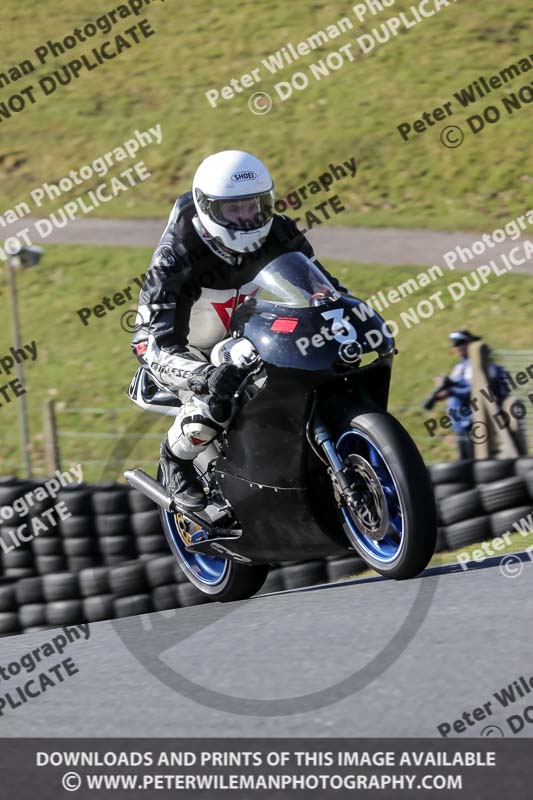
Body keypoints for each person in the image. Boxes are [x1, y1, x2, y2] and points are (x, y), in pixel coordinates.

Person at [129, 150, 347, 509]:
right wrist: (203, 375)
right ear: (208, 209)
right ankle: (175, 459)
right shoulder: (176, 254)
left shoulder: (279, 229)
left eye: (255, 206)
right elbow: (154, 345)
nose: (248, 218)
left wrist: (345, 311)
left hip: (245, 332)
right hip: (177, 348)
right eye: (235, 210)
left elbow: (320, 286)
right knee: (216, 399)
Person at [431, 330, 509, 459]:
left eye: (461, 343)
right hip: (460, 420)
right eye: (455, 344)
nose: (457, 347)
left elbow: (476, 391)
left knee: (479, 457)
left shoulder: (480, 364)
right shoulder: (461, 365)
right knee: (466, 458)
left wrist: (451, 390)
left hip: (474, 418)